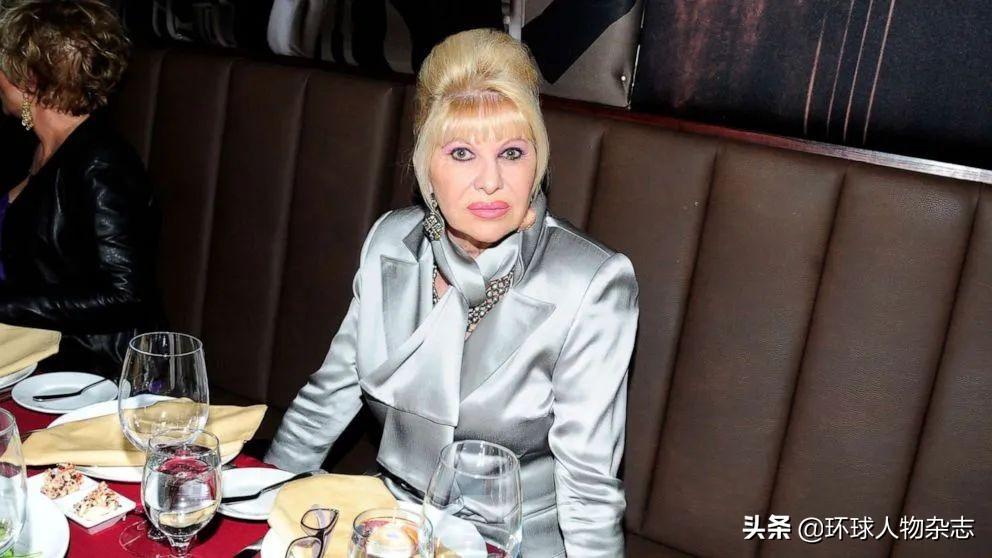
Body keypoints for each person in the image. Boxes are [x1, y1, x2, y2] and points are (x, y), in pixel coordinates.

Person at [266, 29, 638, 557]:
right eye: (462, 152)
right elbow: (327, 399)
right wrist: (265, 508)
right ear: (427, 167)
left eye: (512, 152)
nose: (490, 181)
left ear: (537, 162)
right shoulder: (392, 243)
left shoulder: (590, 284)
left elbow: (588, 490)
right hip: (392, 532)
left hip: (511, 544)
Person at [0, 0, 160, 376]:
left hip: (96, 373)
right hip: (35, 352)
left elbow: (124, 295)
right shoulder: (36, 148)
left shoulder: (101, 165)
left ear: (30, 80)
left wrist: (4, 304)